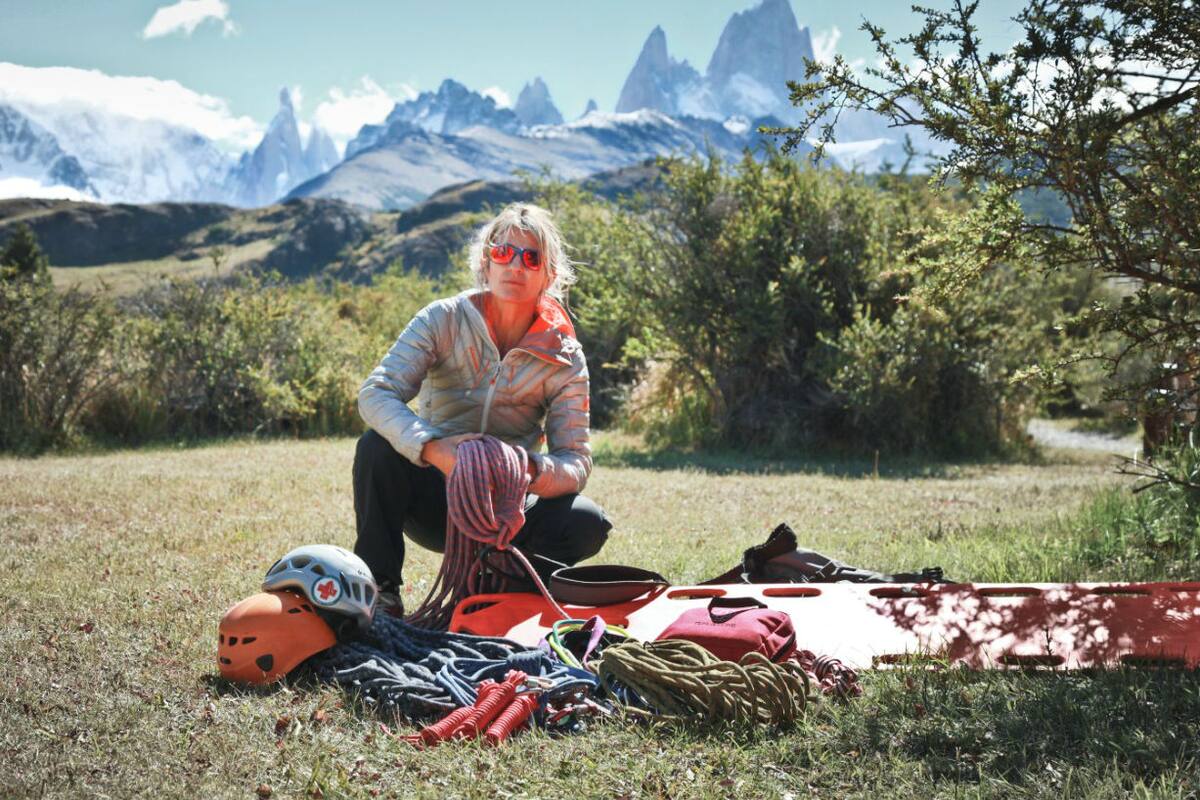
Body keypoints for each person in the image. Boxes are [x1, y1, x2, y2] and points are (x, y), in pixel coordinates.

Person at [352, 203, 612, 612]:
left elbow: (575, 461)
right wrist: (434, 449)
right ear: (486, 262)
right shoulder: (442, 319)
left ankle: (501, 596)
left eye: (532, 258)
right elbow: (376, 393)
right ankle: (380, 591)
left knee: (586, 521)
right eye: (504, 253)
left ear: (550, 274)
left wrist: (529, 469)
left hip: (510, 508)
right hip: (434, 495)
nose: (516, 266)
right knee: (375, 448)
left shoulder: (565, 355)